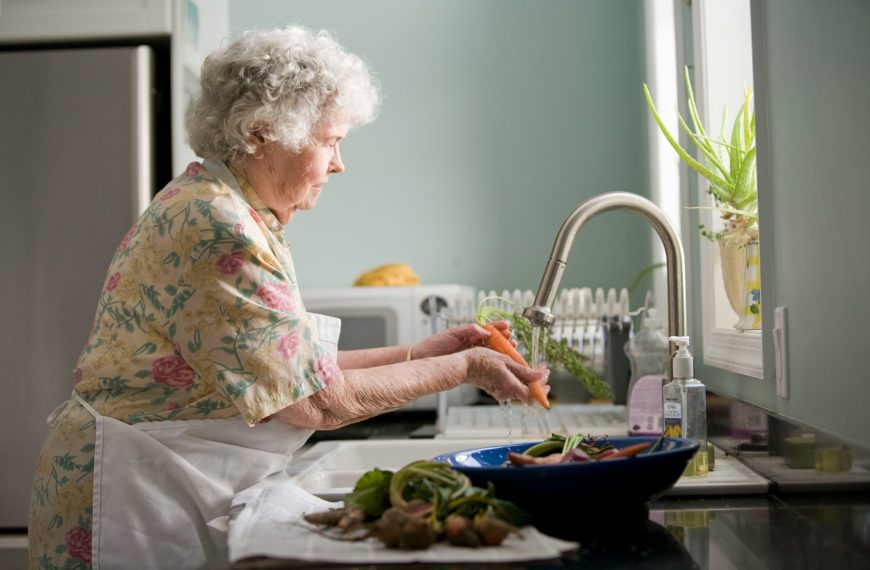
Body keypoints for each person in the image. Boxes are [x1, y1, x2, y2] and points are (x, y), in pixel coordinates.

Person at [28, 25, 549, 569]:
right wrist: (465, 367)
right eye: (330, 141)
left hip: (163, 480)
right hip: (131, 498)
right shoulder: (217, 226)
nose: (339, 163)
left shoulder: (226, 209)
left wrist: (422, 353)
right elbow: (317, 401)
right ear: (261, 133)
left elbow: (293, 372)